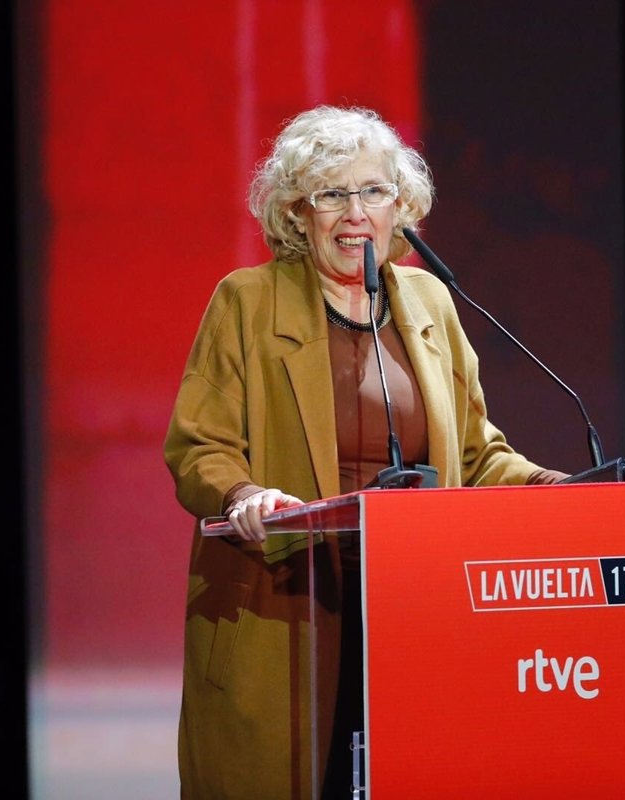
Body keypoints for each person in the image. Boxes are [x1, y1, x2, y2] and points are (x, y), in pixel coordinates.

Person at [163, 104, 568, 799]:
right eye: (332, 194)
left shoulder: (429, 302)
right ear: (298, 213)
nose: (356, 214)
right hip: (284, 608)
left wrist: (553, 487)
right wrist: (244, 494)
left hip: (412, 607)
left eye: (374, 191)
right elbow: (202, 445)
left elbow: (475, 457)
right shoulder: (248, 302)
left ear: (400, 206)